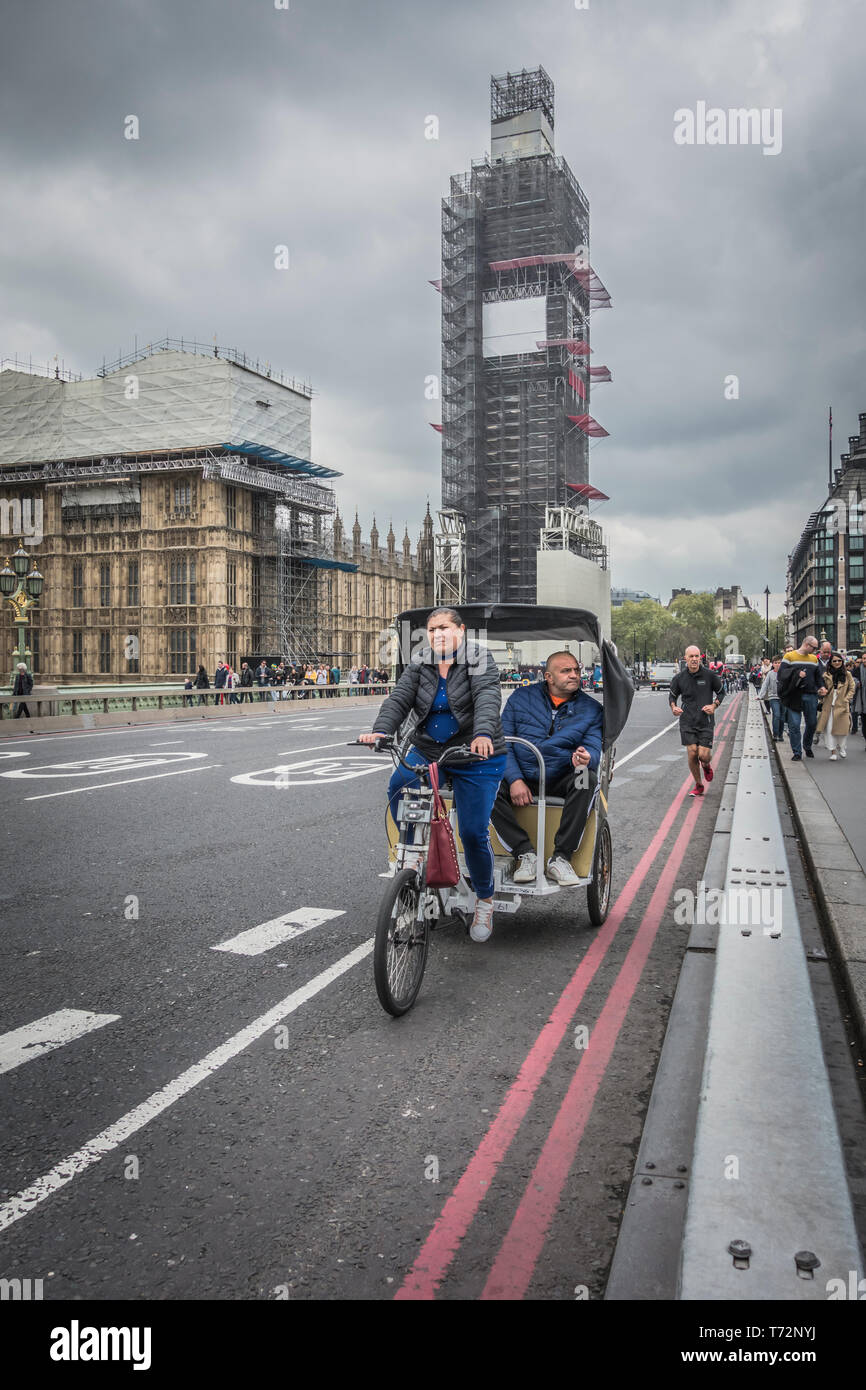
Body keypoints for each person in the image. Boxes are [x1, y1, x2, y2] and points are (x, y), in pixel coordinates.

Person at [358, 606, 506, 944]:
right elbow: (399, 699)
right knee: (398, 785)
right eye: (432, 629)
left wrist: (483, 733)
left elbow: (487, 696)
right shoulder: (420, 662)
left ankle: (484, 899)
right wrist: (381, 731)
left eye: (444, 627)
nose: (437, 634)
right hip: (429, 749)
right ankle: (415, 856)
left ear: (461, 630)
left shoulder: (478, 658)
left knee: (472, 832)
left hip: (474, 753)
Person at [490, 650, 603, 885]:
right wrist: (515, 779)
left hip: (562, 775)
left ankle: (561, 858)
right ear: (549, 677)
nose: (574, 675)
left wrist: (586, 757)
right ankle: (525, 852)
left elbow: (593, 747)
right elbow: (503, 743)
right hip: (523, 774)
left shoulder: (591, 709)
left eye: (576, 670)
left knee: (586, 778)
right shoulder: (520, 698)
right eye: (566, 671)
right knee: (483, 780)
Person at [669, 646, 724, 796]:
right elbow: (672, 696)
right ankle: (699, 785)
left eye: (697, 656)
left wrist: (714, 705)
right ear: (685, 658)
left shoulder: (710, 675)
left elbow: (721, 692)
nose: (694, 659)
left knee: (703, 755)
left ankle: (706, 765)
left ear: (700, 657)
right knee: (692, 753)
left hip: (705, 721)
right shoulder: (679, 678)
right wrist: (674, 707)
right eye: (691, 656)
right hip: (687, 721)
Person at [777, 636, 821, 761]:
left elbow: (818, 677)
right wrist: (797, 674)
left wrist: (821, 687)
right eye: (814, 647)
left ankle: (807, 746)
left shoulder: (814, 659)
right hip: (794, 696)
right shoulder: (789, 657)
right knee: (794, 725)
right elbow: (782, 675)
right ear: (807, 644)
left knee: (812, 723)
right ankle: (797, 752)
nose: (815, 650)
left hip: (811, 695)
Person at [815, 652, 855, 760]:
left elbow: (852, 688)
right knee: (829, 730)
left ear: (842, 662)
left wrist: (846, 699)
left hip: (842, 705)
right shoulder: (826, 675)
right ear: (831, 663)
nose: (837, 663)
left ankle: (842, 747)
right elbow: (820, 688)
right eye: (834, 661)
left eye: (839, 661)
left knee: (842, 729)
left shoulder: (847, 674)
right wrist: (821, 692)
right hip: (829, 705)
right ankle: (833, 752)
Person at [758, 655, 785, 742]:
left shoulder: (785, 673)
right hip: (773, 697)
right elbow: (765, 685)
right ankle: (775, 734)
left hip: (784, 698)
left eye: (779, 663)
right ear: (773, 664)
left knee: (782, 717)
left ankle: (780, 735)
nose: (778, 664)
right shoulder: (770, 673)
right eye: (776, 663)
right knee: (776, 715)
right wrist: (760, 696)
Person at [850, 654, 866, 746]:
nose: (864, 660)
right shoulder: (856, 670)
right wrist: (856, 683)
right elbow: (852, 680)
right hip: (860, 700)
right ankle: (855, 728)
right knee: (864, 723)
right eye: (864, 658)